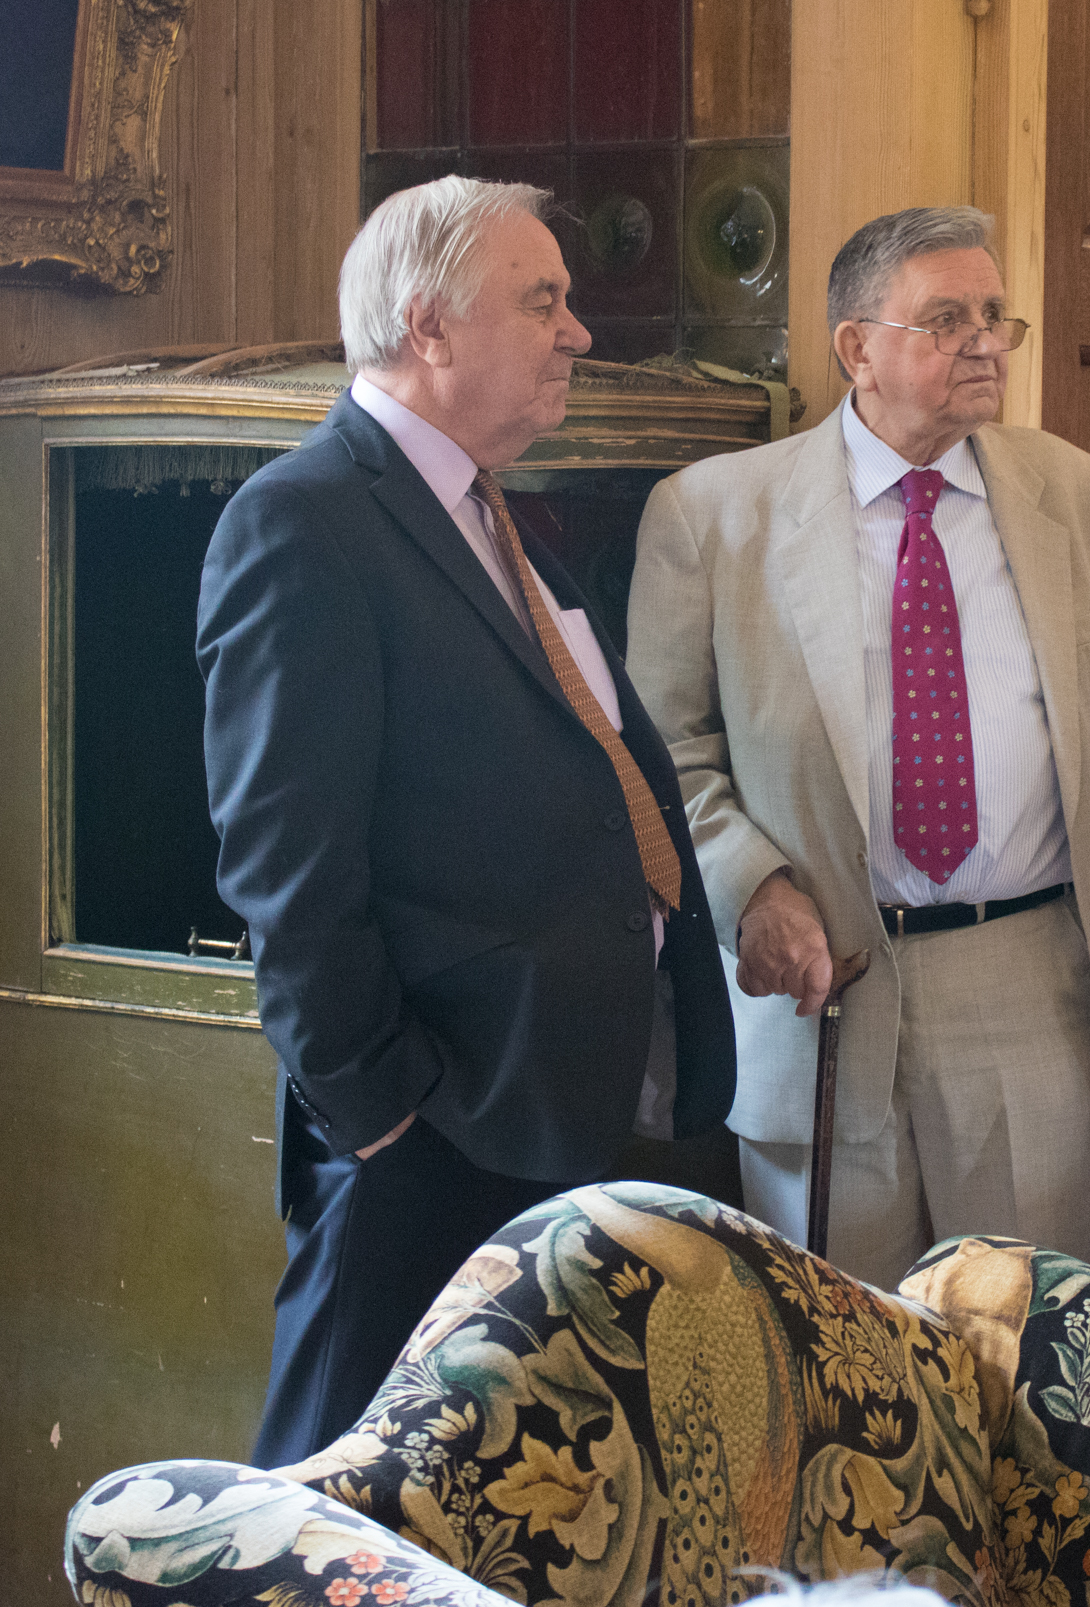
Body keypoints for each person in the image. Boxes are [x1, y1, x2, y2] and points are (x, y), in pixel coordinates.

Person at [197, 176, 735, 1467]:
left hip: (551, 1113)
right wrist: (383, 1114)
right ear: (427, 324)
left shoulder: (492, 515)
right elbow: (286, 870)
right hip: (431, 1136)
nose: (578, 332)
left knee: (513, 1506)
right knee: (338, 1503)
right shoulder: (303, 520)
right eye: (542, 300)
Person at [625, 205, 1090, 1291]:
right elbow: (659, 753)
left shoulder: (1077, 495)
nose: (985, 343)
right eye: (946, 319)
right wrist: (750, 887)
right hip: (819, 996)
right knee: (835, 1361)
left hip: (1024, 986)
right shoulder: (711, 514)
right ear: (856, 347)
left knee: (1024, 1352)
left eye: (994, 316)